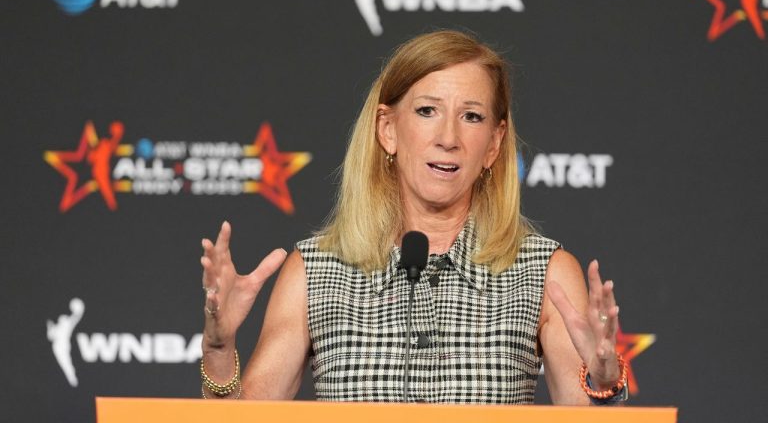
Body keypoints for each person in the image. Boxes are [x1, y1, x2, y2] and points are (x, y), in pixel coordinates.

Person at [198, 30, 626, 405]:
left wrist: (603, 384)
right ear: (388, 129)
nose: (448, 138)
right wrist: (219, 348)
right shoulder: (316, 272)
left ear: (494, 145)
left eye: (471, 117)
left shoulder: (543, 273)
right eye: (427, 111)